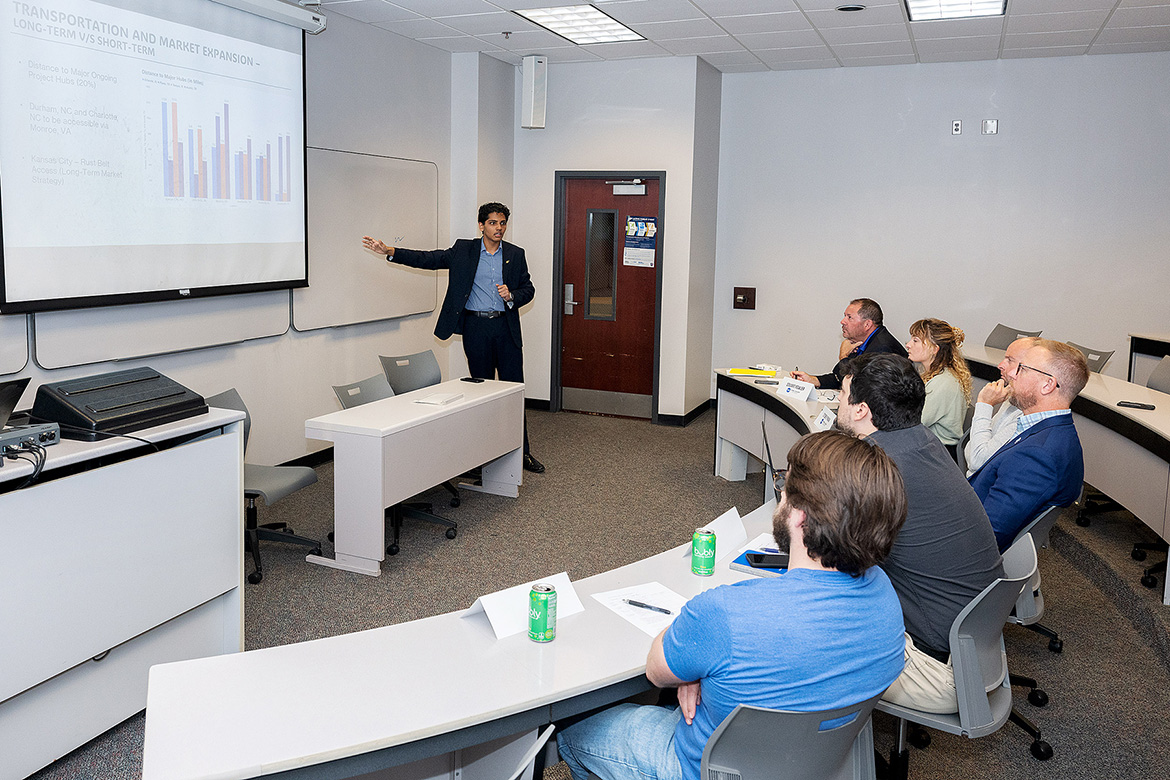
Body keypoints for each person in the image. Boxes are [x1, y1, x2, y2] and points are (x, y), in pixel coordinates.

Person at [555, 430, 907, 780]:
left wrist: (695, 665)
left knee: (576, 727)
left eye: (785, 485)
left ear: (800, 515)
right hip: (815, 764)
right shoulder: (886, 598)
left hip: (699, 769)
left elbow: (656, 670)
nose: (780, 494)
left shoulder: (726, 614)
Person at [837, 353, 1003, 713]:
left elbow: (836, 558)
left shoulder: (877, 468)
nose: (837, 399)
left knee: (802, 632)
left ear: (862, 410)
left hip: (937, 670)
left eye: (842, 392)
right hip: (974, 648)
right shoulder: (922, 440)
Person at [363, 203, 544, 473]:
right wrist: (390, 251)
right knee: (481, 395)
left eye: (503, 223)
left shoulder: (516, 254)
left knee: (513, 392)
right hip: (476, 328)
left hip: (506, 330)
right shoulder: (464, 250)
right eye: (493, 223)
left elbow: (528, 288)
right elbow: (429, 259)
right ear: (481, 225)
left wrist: (513, 296)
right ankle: (483, 456)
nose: (499, 228)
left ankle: (522, 453)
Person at [968, 338, 1088, 550]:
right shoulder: (1047, 430)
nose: (1012, 374)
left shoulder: (1039, 455)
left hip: (963, 546)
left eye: (1022, 369)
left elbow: (984, 538)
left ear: (1048, 384)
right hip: (966, 513)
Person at [790, 298, 907, 390]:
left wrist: (843, 357)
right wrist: (813, 380)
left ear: (867, 324)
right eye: (844, 316)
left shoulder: (882, 348)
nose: (843, 321)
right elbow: (838, 377)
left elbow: (856, 384)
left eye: (849, 317)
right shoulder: (863, 341)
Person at [905, 318, 972, 452]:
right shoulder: (935, 374)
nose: (908, 345)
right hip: (930, 446)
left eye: (915, 341)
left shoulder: (943, 382)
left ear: (935, 349)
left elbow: (914, 423)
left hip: (937, 452)